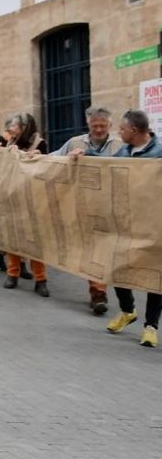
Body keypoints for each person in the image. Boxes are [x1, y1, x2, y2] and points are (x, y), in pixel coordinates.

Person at [54, 106, 124, 315]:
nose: (99, 130)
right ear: (88, 125)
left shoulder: (120, 145)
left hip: (112, 207)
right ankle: (97, 291)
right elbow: (52, 159)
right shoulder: (75, 143)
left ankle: (104, 292)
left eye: (103, 126)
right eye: (95, 126)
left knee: (107, 250)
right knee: (92, 249)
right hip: (84, 206)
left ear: (110, 125)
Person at [104, 109, 162, 347]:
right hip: (127, 221)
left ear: (134, 131)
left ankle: (151, 327)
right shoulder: (125, 152)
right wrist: (80, 155)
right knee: (117, 265)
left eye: (122, 129)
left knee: (155, 272)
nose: (119, 132)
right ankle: (128, 311)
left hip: (155, 223)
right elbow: (103, 165)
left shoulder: (159, 152)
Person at [0, 112, 50, 297]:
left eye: (13, 126)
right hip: (13, 196)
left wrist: (35, 156)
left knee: (35, 240)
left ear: (23, 127)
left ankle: (41, 279)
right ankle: (13, 274)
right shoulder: (10, 143)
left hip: (33, 198)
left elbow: (46, 167)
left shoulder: (40, 143)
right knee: (12, 236)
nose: (10, 130)